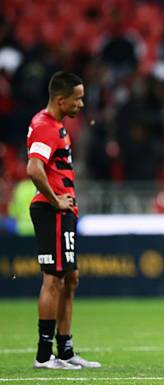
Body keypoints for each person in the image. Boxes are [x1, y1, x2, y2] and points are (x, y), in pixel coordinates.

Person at [26, 71, 101, 369]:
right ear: (61, 99)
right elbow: (34, 168)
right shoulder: (45, 126)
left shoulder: (56, 126)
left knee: (70, 279)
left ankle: (66, 351)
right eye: (78, 98)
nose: (82, 104)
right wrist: (56, 200)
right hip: (52, 210)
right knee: (54, 279)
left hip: (63, 211)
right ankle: (45, 356)